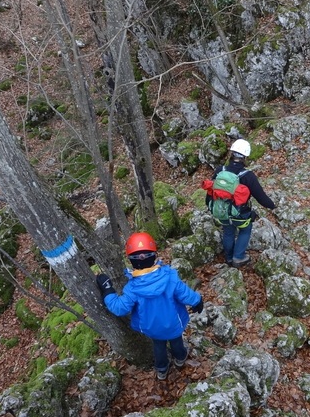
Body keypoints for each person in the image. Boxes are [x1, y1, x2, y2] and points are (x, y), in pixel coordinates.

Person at [96, 232, 203, 381]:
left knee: (158, 347)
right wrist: (197, 301)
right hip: (174, 324)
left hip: (152, 328)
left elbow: (119, 308)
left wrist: (108, 290)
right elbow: (185, 294)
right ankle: (180, 359)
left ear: (131, 261)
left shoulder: (132, 289)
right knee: (176, 342)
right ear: (154, 255)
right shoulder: (170, 277)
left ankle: (162, 370)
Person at [211, 138, 276, 267]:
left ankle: (229, 258)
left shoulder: (220, 170)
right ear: (245, 157)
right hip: (240, 214)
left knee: (228, 231)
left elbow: (212, 190)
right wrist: (272, 206)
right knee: (246, 229)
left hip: (222, 211)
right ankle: (238, 257)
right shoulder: (248, 176)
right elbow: (261, 197)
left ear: (231, 154)